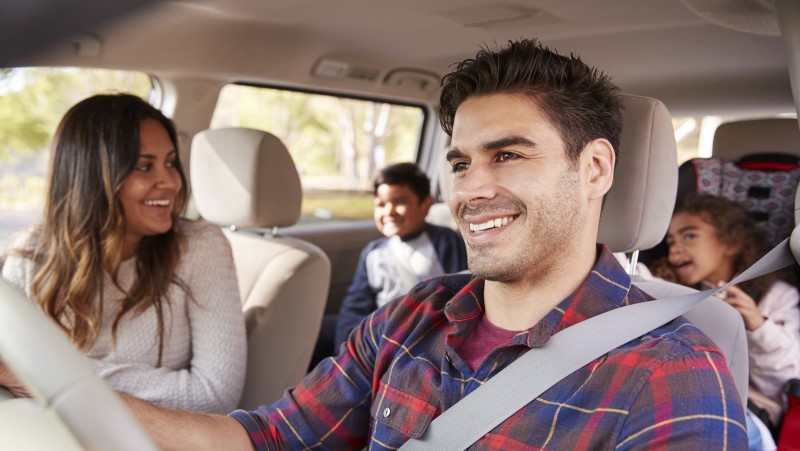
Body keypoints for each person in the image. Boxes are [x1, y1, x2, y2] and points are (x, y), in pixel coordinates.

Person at [87, 38, 748, 449]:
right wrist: (67, 394)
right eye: (460, 163)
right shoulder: (412, 316)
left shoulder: (671, 374)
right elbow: (269, 438)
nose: (472, 189)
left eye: (508, 155)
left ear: (596, 169)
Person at [0, 93, 247, 414]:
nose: (171, 181)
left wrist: (55, 376)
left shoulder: (198, 246)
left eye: (170, 163)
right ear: (90, 178)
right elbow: (10, 379)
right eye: (145, 167)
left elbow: (215, 394)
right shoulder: (29, 260)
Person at [659, 193, 800, 437]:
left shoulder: (775, 296)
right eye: (671, 242)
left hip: (749, 407)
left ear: (731, 242)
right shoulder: (672, 290)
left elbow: (785, 377)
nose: (676, 249)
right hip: (683, 395)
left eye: (689, 236)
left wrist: (758, 325)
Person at [333, 161, 467, 349]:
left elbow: (461, 294)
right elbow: (355, 306)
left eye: (400, 202)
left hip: (425, 333)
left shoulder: (444, 241)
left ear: (426, 205)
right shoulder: (373, 252)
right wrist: (347, 346)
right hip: (380, 333)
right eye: (380, 204)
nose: (389, 212)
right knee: (316, 327)